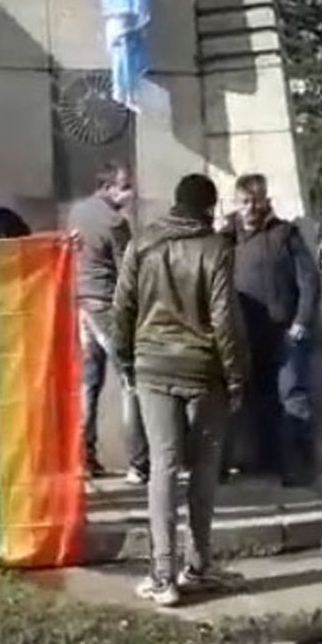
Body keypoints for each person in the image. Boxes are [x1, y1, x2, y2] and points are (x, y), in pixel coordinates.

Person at [112, 174, 245, 607]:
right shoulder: (217, 249)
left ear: (175, 201)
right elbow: (225, 320)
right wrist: (236, 376)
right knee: (204, 470)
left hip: (152, 365)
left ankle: (162, 575)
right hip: (204, 369)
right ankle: (198, 566)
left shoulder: (143, 243)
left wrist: (126, 361)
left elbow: (123, 307)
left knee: (163, 467)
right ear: (209, 207)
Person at [225, 173, 322, 486]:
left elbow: (309, 281)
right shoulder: (227, 238)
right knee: (258, 401)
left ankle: (298, 466)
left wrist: (302, 322)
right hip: (248, 335)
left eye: (256, 200)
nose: (251, 207)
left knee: (292, 396)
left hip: (286, 333)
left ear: (266, 200)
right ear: (236, 203)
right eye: (244, 201)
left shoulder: (285, 234)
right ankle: (265, 461)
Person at [67, 162, 149, 482]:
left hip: (81, 307)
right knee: (132, 381)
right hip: (107, 307)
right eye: (123, 185)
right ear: (107, 187)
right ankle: (138, 463)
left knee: (89, 383)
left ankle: (83, 457)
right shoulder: (116, 222)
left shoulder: (76, 212)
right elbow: (129, 274)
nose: (129, 192)